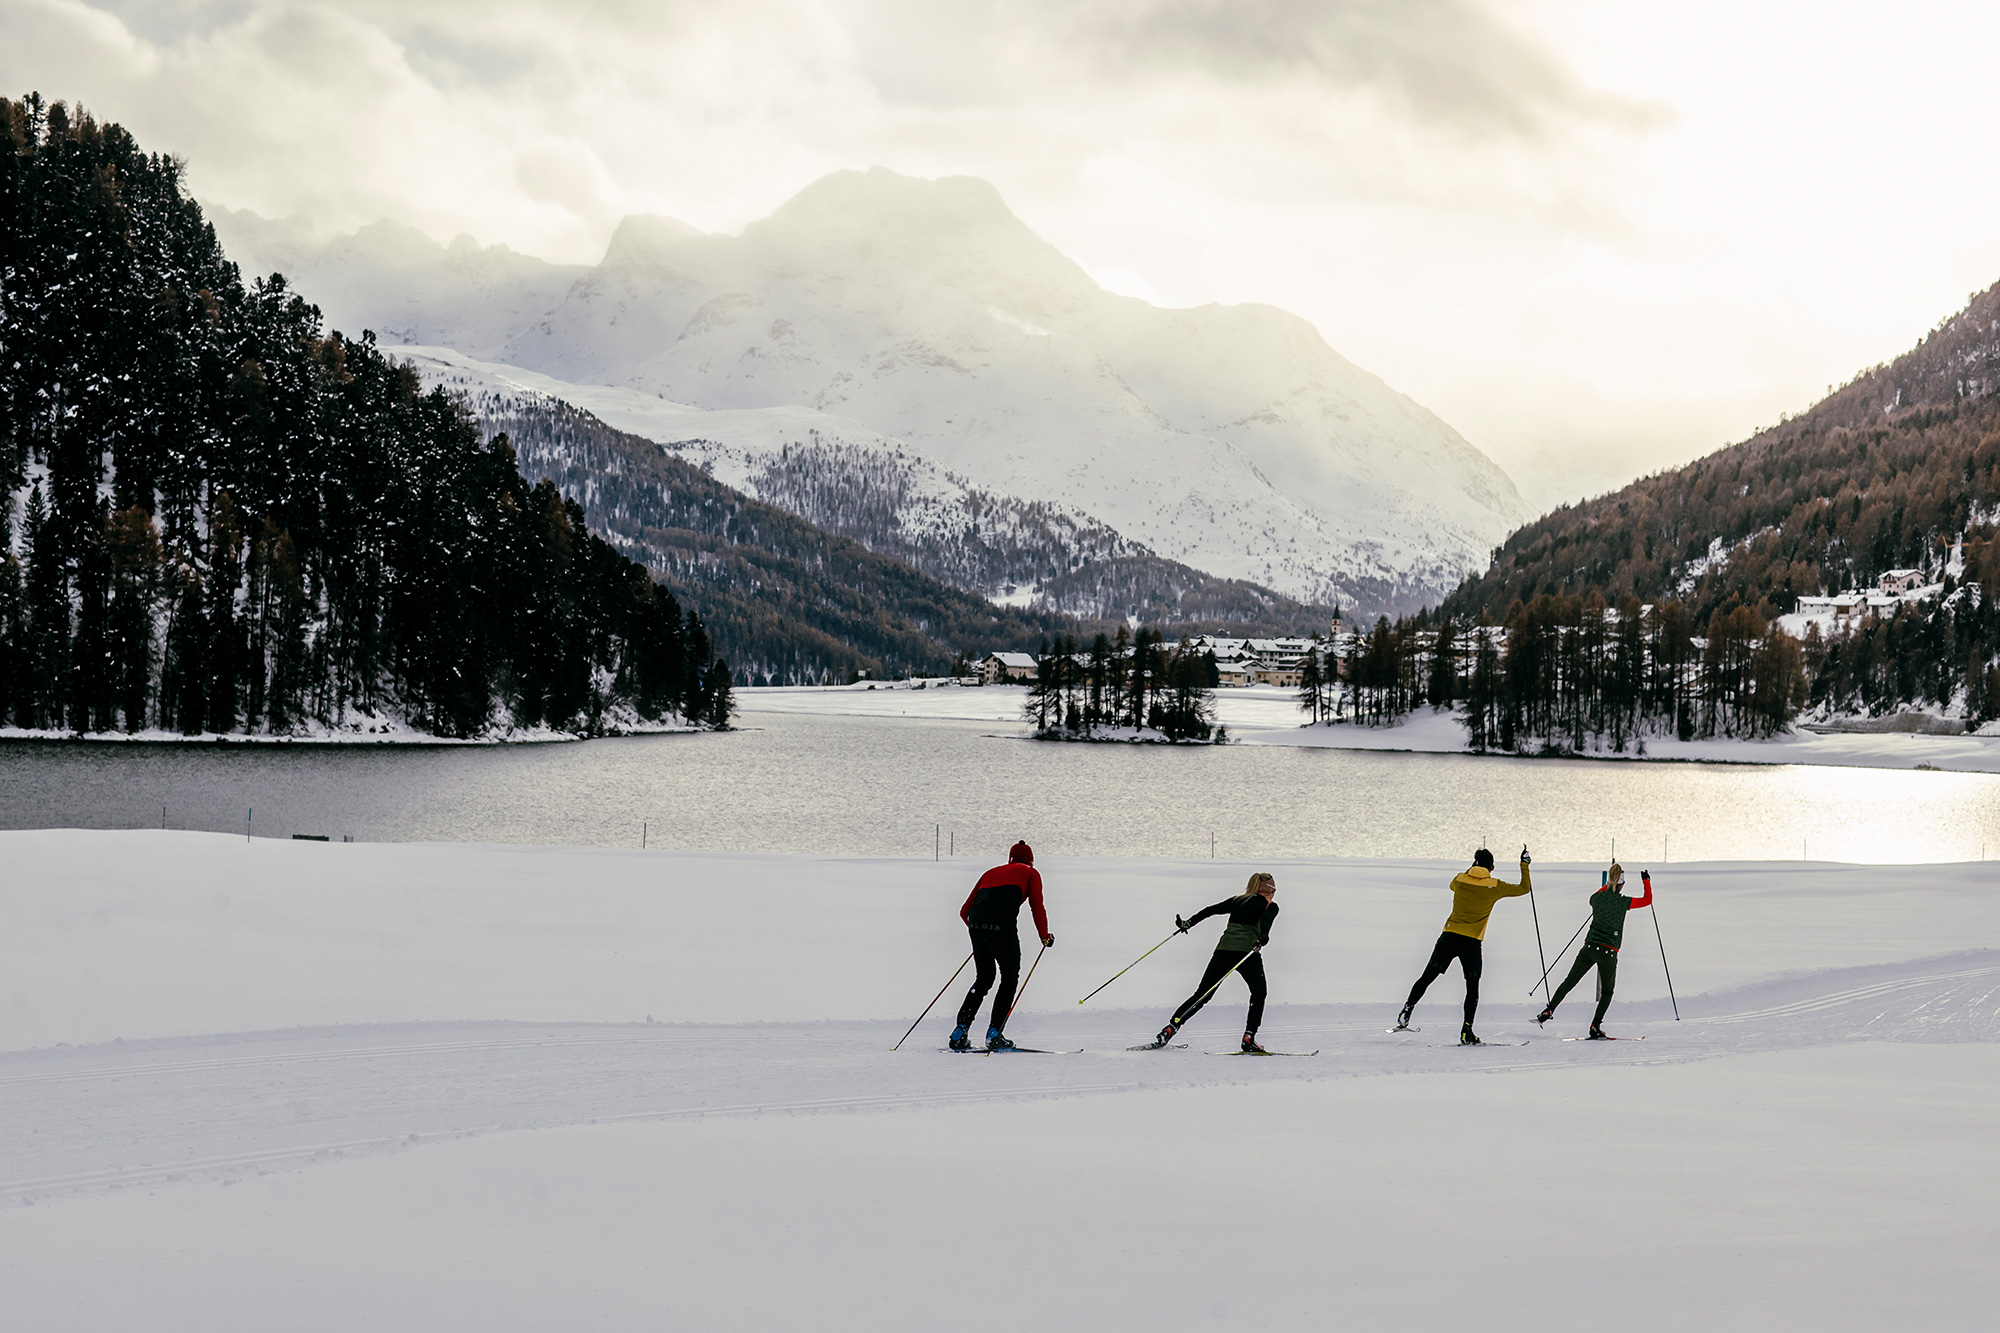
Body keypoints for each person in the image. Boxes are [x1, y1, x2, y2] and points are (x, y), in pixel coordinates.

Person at [1395, 846, 1532, 1045]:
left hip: (1448, 937)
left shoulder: (1459, 879)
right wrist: (1524, 864)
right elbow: (1524, 889)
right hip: (1471, 943)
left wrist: (1472, 869)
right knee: (1472, 988)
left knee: (1426, 978)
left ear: (1474, 863)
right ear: (1492, 867)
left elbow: (1455, 884)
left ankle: (1406, 1010)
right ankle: (1467, 1030)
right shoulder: (1495, 885)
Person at [1142, 872, 1280, 1053]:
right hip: (1247, 954)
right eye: (1273, 888)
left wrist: (1188, 923)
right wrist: (1263, 938)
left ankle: (1170, 1029)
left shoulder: (1238, 900)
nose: (1274, 891)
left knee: (1202, 994)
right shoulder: (1270, 905)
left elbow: (1210, 910)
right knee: (1259, 993)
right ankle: (1249, 1038)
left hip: (1223, 951)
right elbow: (1266, 924)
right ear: (1266, 889)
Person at [950, 841, 1054, 1051]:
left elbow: (964, 912)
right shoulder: (1030, 873)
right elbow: (1037, 907)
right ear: (1031, 860)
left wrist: (980, 931)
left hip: (977, 926)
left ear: (1010, 858)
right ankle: (994, 1034)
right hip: (1001, 927)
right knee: (1009, 976)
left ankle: (960, 1031)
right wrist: (1044, 936)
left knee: (984, 979)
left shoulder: (990, 872)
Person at [1536, 864, 1652, 1038]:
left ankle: (1549, 1010)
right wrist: (1646, 881)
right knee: (1607, 992)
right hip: (1609, 952)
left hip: (1589, 948)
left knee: (1570, 981)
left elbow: (1596, 896)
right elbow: (1647, 900)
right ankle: (1595, 1026)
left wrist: (1609, 884)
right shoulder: (1623, 902)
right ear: (1621, 884)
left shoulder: (1596, 898)